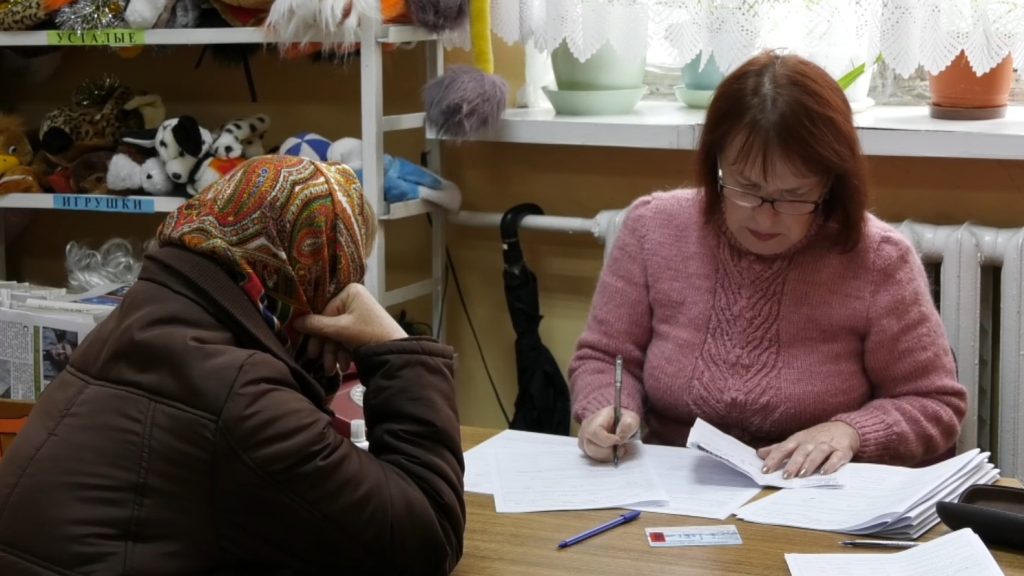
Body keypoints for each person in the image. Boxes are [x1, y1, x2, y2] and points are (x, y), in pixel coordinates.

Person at [0, 155, 465, 575]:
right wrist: (396, 348)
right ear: (313, 274)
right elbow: (428, 538)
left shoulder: (141, 323)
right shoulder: (235, 390)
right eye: (348, 275)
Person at [570, 52, 967, 479]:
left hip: (819, 497)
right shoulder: (653, 228)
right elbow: (603, 357)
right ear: (715, 165)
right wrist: (608, 410)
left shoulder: (879, 259)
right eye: (746, 187)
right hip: (675, 487)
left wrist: (849, 432)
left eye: (793, 194)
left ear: (831, 182)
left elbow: (934, 404)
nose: (764, 216)